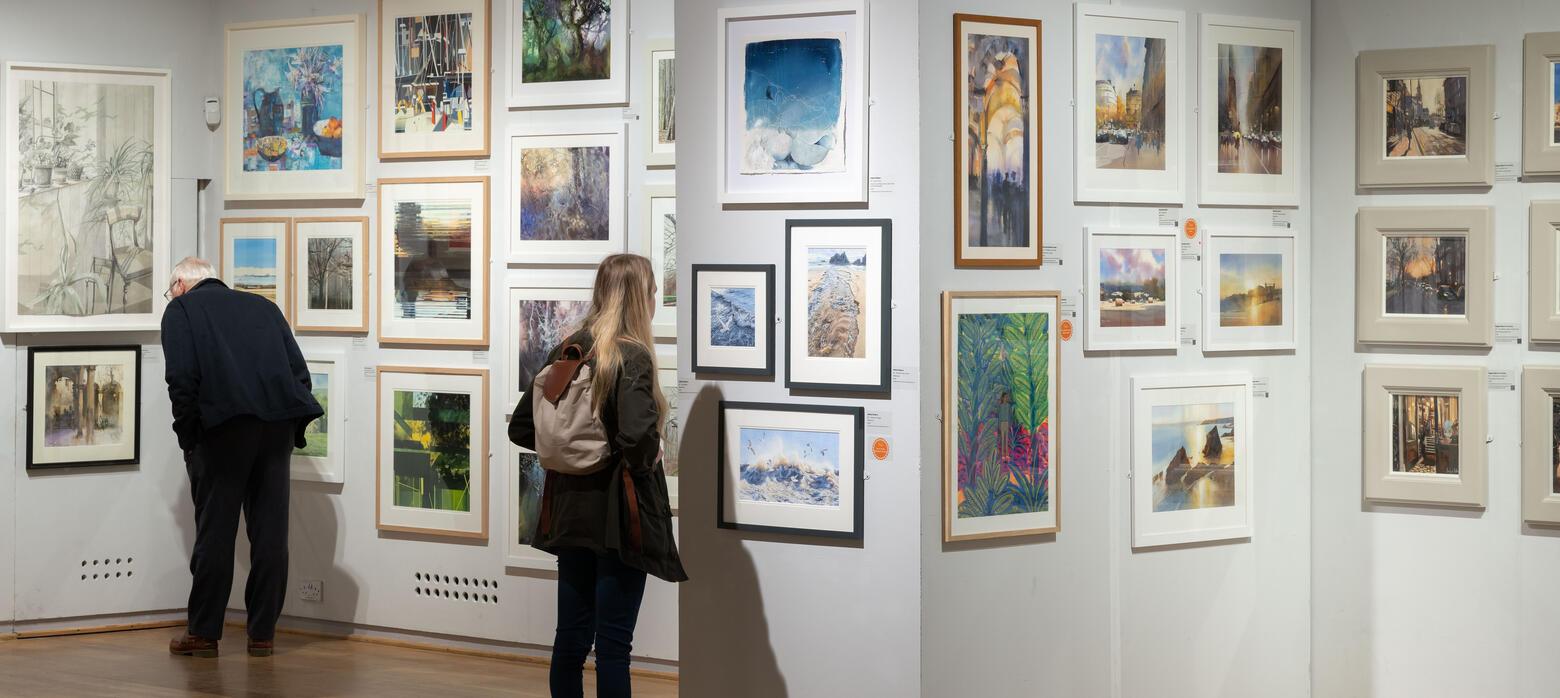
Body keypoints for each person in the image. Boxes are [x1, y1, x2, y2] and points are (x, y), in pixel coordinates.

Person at [510, 253, 687, 698]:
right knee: (612, 647)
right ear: (639, 298)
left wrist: (572, 450)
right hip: (618, 518)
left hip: (569, 513)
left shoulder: (569, 349)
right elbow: (638, 441)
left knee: (569, 639)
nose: (652, 300)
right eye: (649, 292)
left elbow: (521, 428)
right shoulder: (631, 356)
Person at [160, 257, 323, 659]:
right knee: (270, 534)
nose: (171, 294)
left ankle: (203, 634)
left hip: (222, 432)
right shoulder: (263, 308)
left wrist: (189, 438)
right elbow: (299, 375)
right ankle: (262, 635)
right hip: (275, 430)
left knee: (215, 533)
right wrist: (289, 430)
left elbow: (181, 379)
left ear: (180, 283)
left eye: (170, 288)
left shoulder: (180, 310)